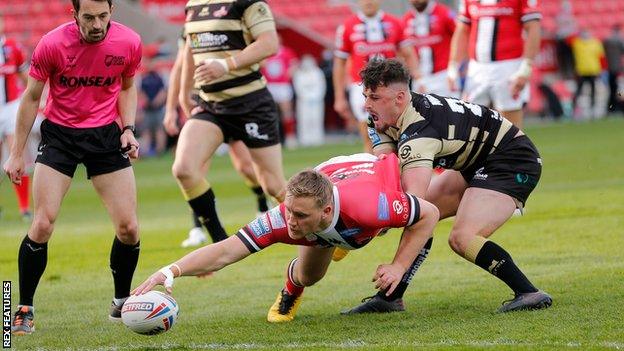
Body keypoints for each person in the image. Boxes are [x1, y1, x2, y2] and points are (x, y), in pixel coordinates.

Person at [345, 59, 552, 314]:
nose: (366, 104)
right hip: (478, 161)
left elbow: (412, 206)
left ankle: (529, 292)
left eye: (374, 97)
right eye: (366, 95)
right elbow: (386, 175)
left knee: (460, 237)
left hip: (512, 162)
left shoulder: (419, 133)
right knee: (418, 213)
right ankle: (391, 297)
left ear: (399, 97)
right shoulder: (385, 117)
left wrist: (396, 264)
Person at [132, 152, 439, 323]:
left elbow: (430, 214)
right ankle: (292, 288)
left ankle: (344, 243)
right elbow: (226, 251)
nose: (290, 222)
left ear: (325, 210)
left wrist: (398, 267)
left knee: (383, 225)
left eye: (300, 216)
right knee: (310, 275)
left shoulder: (372, 207)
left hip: (377, 181)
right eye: (289, 210)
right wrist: (170, 271)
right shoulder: (285, 217)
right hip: (331, 194)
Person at [4, 0, 142, 335]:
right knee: (43, 224)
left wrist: (128, 129)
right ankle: (23, 308)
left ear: (112, 12)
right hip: (61, 137)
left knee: (129, 229)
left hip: (105, 137)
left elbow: (126, 86)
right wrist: (17, 153)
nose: (97, 25)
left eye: (104, 16)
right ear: (74, 15)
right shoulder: (52, 44)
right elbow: (32, 98)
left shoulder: (129, 42)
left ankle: (121, 302)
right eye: (89, 17)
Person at [174, 0, 287, 245]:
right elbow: (191, 52)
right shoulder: (193, 5)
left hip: (251, 104)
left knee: (274, 185)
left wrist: (226, 65)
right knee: (184, 169)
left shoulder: (247, 3)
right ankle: (220, 241)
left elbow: (269, 44)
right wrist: (184, 95)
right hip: (211, 106)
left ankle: (329, 229)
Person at [163, 29, 270, 247]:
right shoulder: (190, 27)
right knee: (193, 170)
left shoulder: (232, 22)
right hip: (201, 106)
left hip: (231, 105)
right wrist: (171, 109)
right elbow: (179, 68)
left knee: (246, 168)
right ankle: (197, 228)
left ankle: (263, 204)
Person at [333, 0, 420, 153]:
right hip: (361, 87)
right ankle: (375, 172)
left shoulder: (395, 22)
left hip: (390, 87)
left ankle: (399, 170)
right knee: (370, 134)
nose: (368, 2)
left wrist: (418, 78)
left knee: (399, 131)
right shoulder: (347, 26)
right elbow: (339, 63)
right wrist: (339, 97)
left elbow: (408, 53)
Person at [448, 0, 542, 129]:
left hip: (508, 66)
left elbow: (533, 28)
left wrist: (525, 68)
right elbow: (462, 30)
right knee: (470, 126)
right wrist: (452, 67)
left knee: (510, 129)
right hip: (477, 68)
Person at [0, 14, 32, 221]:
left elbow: (26, 78)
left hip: (11, 108)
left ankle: (24, 207)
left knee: (17, 154)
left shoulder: (12, 47)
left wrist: (39, 99)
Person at [402, 0, 457, 97]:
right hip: (419, 80)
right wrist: (416, 77)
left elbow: (461, 39)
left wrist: (454, 70)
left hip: (444, 76)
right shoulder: (406, 20)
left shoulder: (445, 13)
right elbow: (403, 53)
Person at [261, 40, 298, 148]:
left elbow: (294, 64)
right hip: (269, 85)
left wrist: (289, 73)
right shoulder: (265, 52)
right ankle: (271, 138)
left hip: (282, 85)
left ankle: (290, 137)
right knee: (268, 112)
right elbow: (260, 64)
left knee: (287, 111)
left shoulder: (286, 51)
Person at [570, 28, 605, 119]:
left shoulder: (595, 43)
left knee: (593, 91)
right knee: (578, 91)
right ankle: (574, 111)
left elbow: (601, 57)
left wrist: (601, 69)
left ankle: (593, 110)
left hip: (593, 70)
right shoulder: (577, 43)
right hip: (581, 71)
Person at [292, 55, 326, 146]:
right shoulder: (299, 74)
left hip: (316, 100)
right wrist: (306, 96)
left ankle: (317, 138)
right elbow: (298, 87)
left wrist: (316, 96)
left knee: (316, 118)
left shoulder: (318, 72)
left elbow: (321, 86)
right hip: (304, 101)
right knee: (304, 119)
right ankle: (304, 138)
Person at [139, 57, 167, 156]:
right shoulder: (144, 78)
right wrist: (145, 100)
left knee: (159, 129)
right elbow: (140, 92)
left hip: (158, 108)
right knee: (146, 130)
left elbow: (163, 91)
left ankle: (160, 150)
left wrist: (157, 101)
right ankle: (146, 151)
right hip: (147, 109)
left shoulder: (159, 77)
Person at [602, 25, 624, 114]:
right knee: (618, 91)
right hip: (616, 71)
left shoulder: (609, 42)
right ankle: (615, 107)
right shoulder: (616, 42)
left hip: (614, 70)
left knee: (616, 91)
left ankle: (612, 107)